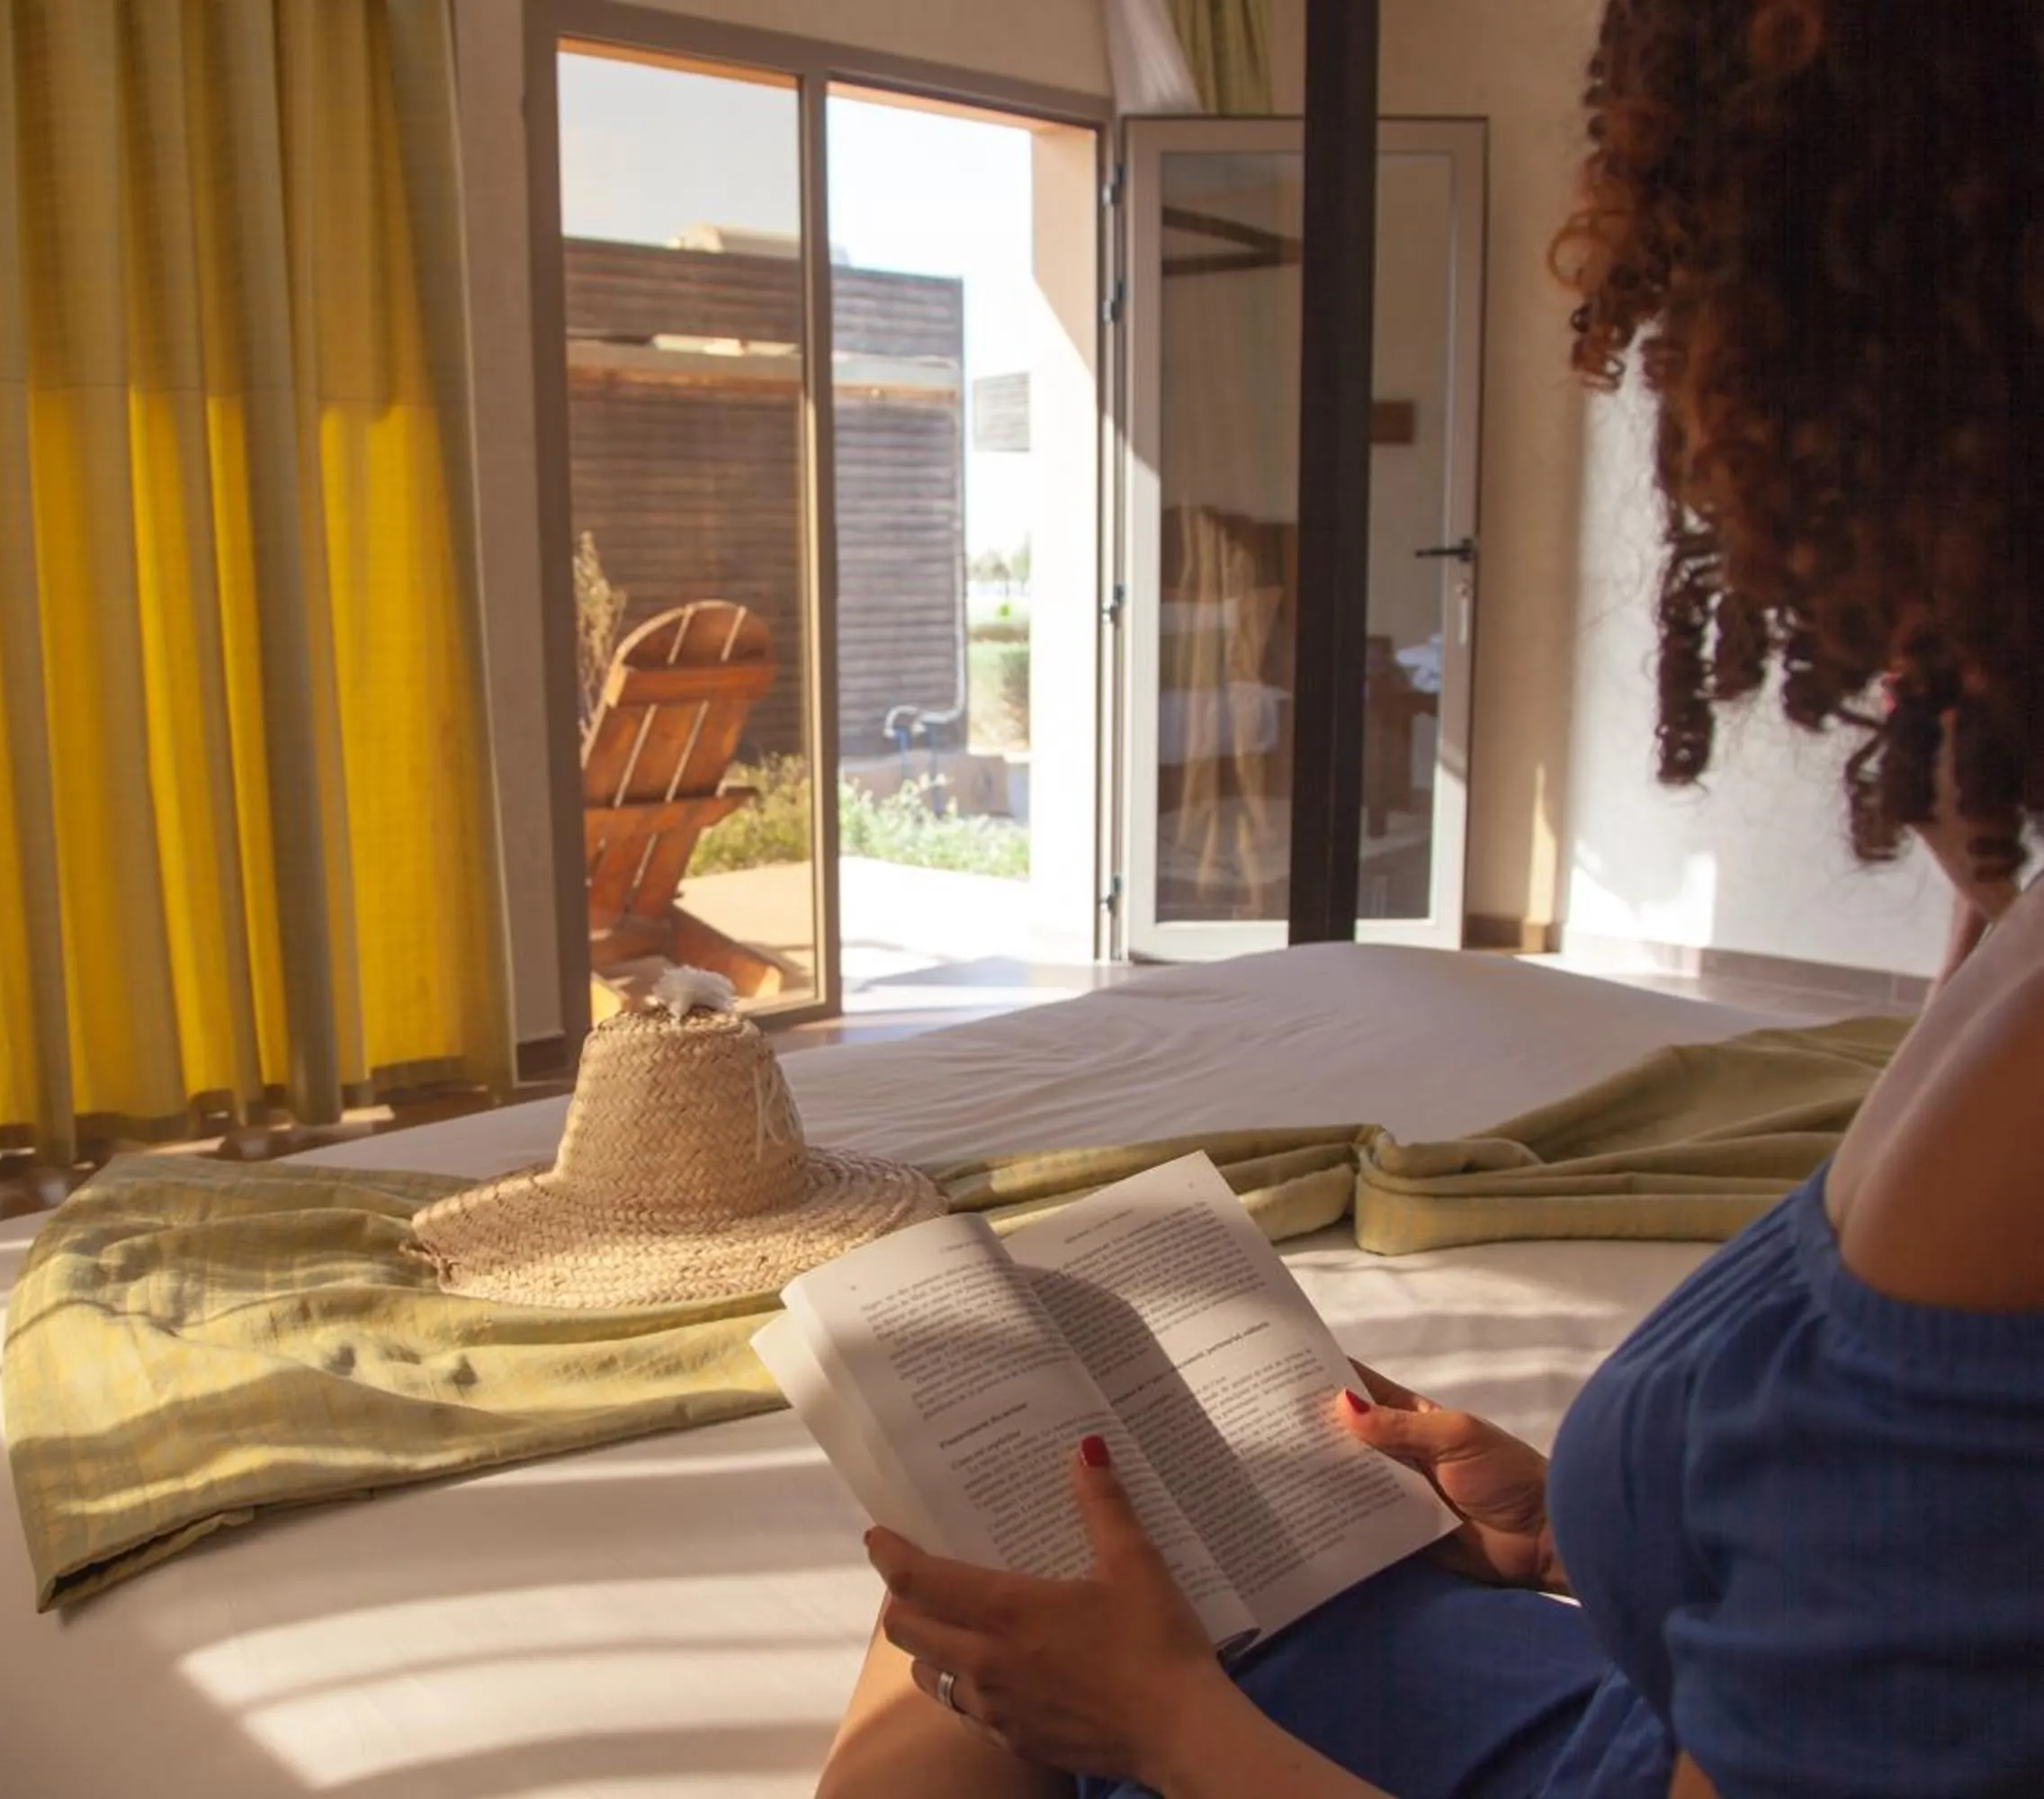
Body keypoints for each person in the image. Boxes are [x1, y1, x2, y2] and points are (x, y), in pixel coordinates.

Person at [814, 2, 2044, 1793]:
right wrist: (1567, 1529)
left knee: (962, 1620)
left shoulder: (2011, 1130)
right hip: (1615, 1697)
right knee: (1027, 1561)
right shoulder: (2006, 960)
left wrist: (1162, 1721)